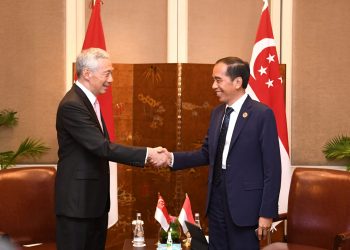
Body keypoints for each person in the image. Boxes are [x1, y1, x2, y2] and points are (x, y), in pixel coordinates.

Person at [55, 48, 167, 250]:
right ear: (87, 73)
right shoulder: (72, 105)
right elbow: (101, 147)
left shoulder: (88, 102)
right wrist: (148, 153)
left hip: (93, 202)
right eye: (107, 73)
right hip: (77, 205)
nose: (111, 79)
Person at [166, 57, 281, 249]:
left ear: (237, 82)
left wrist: (266, 213)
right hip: (216, 203)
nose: (213, 86)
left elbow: (273, 169)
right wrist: (171, 158)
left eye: (218, 80)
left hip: (245, 208)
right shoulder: (217, 113)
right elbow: (206, 153)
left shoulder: (262, 115)